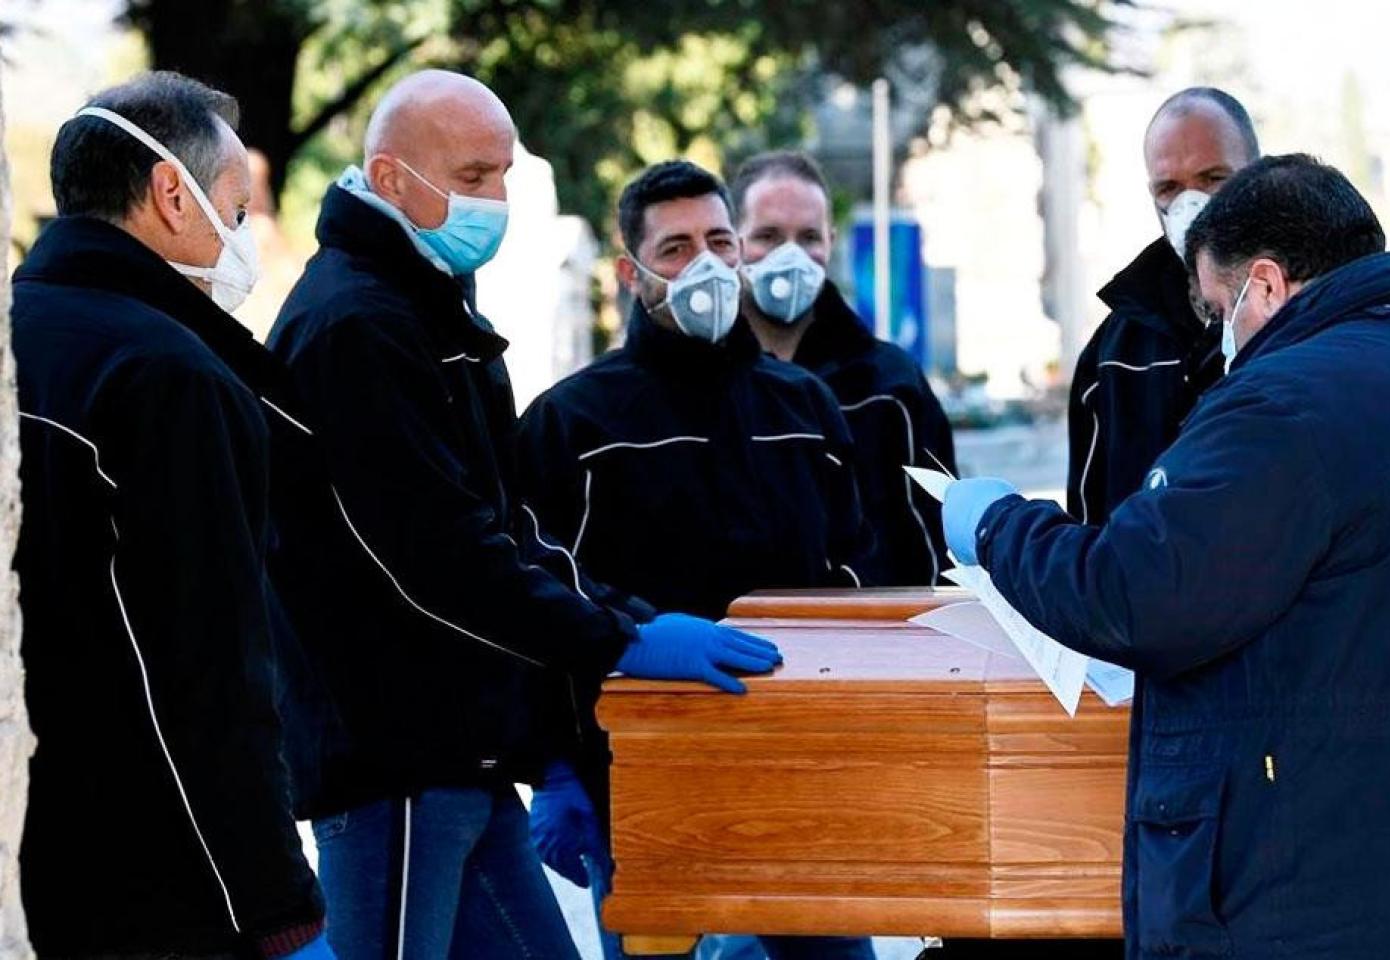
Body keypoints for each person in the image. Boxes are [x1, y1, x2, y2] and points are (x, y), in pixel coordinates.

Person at [942, 155, 1390, 958]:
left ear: (1264, 285)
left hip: (1329, 900)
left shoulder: (1283, 403)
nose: (1220, 337)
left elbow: (1133, 591)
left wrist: (995, 527)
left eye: (1218, 307)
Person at [267, 71, 779, 960]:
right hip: (394, 768)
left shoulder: (433, 311)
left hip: (460, 756)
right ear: (390, 179)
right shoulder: (358, 324)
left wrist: (632, 620)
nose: (494, 201)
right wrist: (615, 644)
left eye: (502, 174)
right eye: (471, 178)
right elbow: (436, 558)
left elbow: (509, 525)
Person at [514, 160, 877, 960]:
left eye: (719, 239)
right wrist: (557, 767)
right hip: (641, 785)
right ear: (630, 272)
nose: (705, 264)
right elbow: (539, 596)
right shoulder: (571, 425)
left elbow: (855, 572)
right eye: (675, 248)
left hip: (800, 780)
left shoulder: (805, 409)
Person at [14, 72, 331, 959]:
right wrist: (275, 902)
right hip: (156, 874)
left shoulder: (20, 329)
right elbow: (208, 667)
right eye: (236, 209)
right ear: (169, 194)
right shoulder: (170, 372)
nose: (246, 237)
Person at [731, 150, 956, 585]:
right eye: (768, 236)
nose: (790, 256)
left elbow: (937, 536)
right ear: (732, 244)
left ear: (831, 242)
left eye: (808, 237)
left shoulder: (891, 383)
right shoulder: (705, 382)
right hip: (740, 634)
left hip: (874, 638)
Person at [1066, 88, 1258, 525]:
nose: (1191, 204)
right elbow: (1088, 532)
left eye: (1213, 179)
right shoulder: (1115, 354)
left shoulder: (1299, 321)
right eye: (1169, 187)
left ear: (1257, 175)